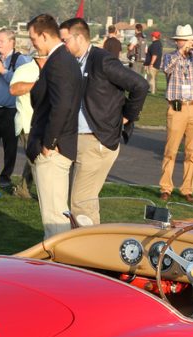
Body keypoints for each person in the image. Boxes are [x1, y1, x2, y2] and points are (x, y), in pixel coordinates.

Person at [59, 17, 148, 224]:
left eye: (65, 41)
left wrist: (127, 116)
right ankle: (84, 248)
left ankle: (87, 250)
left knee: (81, 203)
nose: (63, 45)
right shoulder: (74, 62)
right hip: (81, 140)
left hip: (96, 141)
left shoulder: (102, 60)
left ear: (79, 38)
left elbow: (139, 85)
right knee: (83, 202)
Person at [26, 14, 82, 239]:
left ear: (44, 34)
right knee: (56, 215)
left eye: (33, 38)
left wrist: (49, 143)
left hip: (54, 150)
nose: (33, 43)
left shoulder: (59, 61)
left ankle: (58, 267)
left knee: (54, 220)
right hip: (57, 146)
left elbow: (62, 106)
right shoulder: (63, 59)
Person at [159, 24, 193, 204]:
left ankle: (187, 189)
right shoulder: (170, 56)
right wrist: (182, 51)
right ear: (178, 42)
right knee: (171, 150)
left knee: (191, 152)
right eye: (183, 41)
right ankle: (166, 187)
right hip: (176, 106)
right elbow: (166, 68)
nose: (187, 44)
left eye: (189, 40)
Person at [0, 28, 29, 189]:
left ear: (12, 42)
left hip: (10, 110)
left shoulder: (20, 60)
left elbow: (19, 82)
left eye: (1, 41)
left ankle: (5, 177)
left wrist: (2, 71)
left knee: (10, 147)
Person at [9, 53, 47, 199]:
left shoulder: (51, 69)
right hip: (27, 122)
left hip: (43, 122)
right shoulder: (25, 69)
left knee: (34, 157)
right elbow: (13, 89)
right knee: (37, 160)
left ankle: (23, 190)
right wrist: (39, 84)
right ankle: (46, 195)